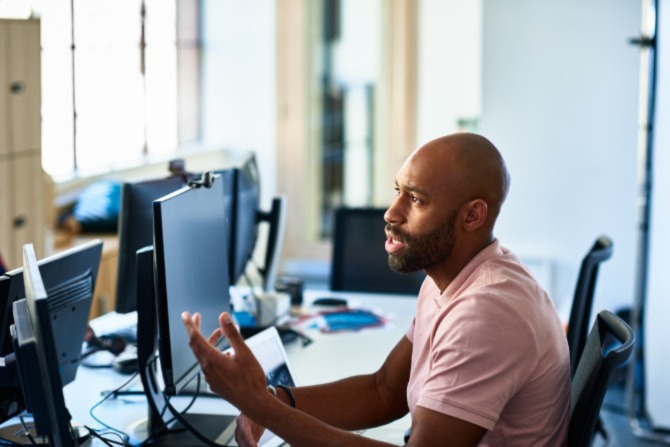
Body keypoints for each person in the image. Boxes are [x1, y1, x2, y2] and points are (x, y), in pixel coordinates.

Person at [182, 132, 571, 447]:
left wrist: (261, 408)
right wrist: (272, 400)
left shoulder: (485, 313)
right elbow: (384, 390)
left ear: (473, 215)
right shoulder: (454, 278)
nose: (391, 213)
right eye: (398, 191)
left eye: (415, 199)